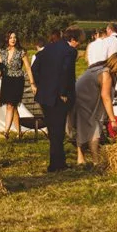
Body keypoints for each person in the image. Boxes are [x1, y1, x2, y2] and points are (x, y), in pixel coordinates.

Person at [31, 26, 79, 172]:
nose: (79, 45)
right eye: (79, 42)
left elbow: (34, 69)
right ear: (72, 39)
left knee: (53, 130)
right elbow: (66, 71)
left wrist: (41, 85)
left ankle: (57, 161)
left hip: (45, 95)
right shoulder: (70, 51)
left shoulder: (47, 49)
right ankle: (57, 164)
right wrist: (63, 92)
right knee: (58, 130)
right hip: (59, 96)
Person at [73, 52, 117, 165]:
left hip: (80, 99)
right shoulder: (106, 74)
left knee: (83, 129)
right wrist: (113, 119)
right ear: (115, 63)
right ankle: (96, 161)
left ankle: (81, 159)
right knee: (94, 130)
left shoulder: (100, 68)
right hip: (85, 101)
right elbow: (106, 97)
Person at [0, 31, 28, 138]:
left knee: (10, 106)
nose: (13, 39)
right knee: (12, 107)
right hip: (6, 80)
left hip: (17, 80)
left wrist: (33, 83)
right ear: (7, 39)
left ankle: (6, 132)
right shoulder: (2, 51)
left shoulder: (21, 52)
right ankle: (19, 132)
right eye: (10, 37)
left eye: (15, 37)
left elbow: (28, 68)